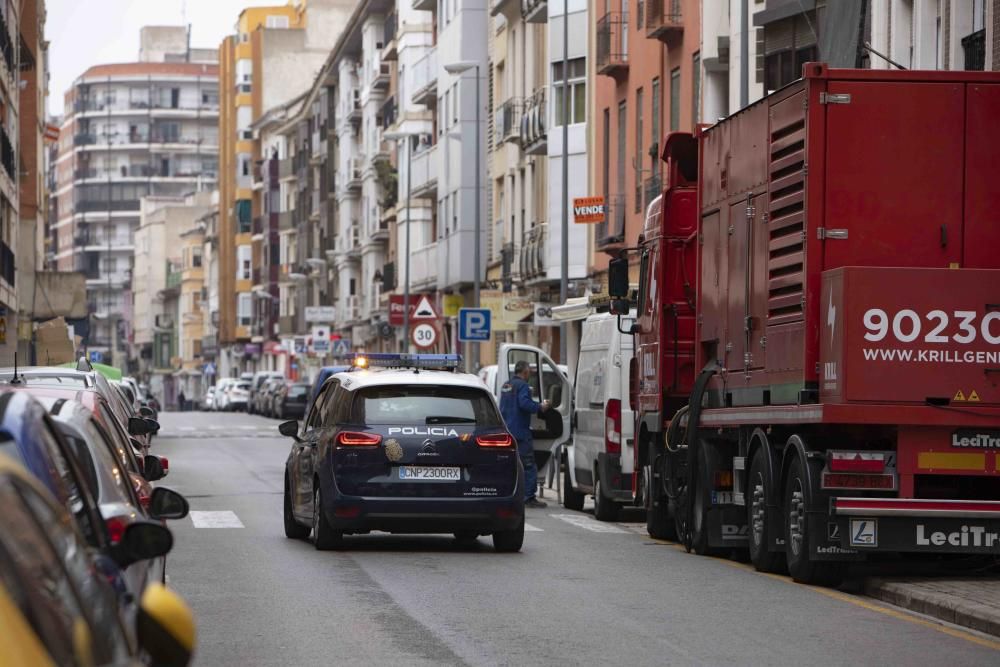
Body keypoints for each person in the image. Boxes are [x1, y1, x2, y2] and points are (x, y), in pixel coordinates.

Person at [499, 360, 550, 508]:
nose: (530, 375)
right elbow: (524, 404)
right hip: (521, 433)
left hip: (507, 431)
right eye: (529, 372)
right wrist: (540, 407)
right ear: (525, 372)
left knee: (510, 465)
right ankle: (528, 497)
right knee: (528, 465)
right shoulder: (523, 386)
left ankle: (508, 493)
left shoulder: (506, 386)